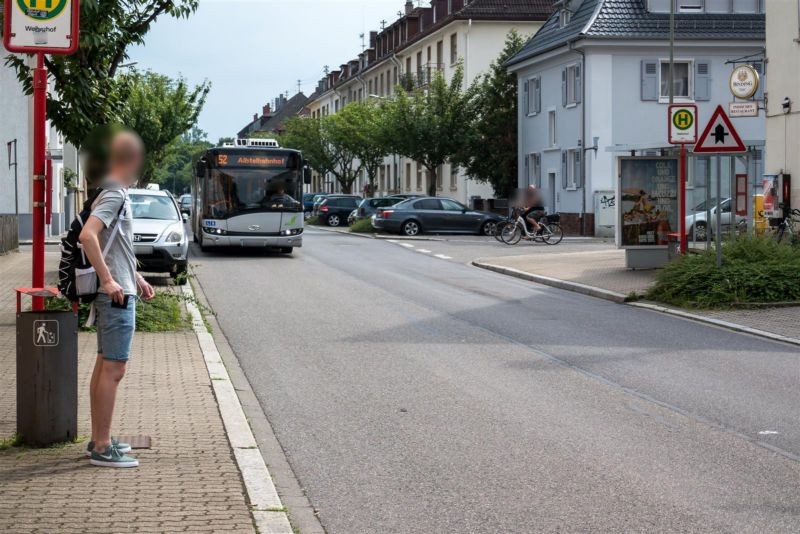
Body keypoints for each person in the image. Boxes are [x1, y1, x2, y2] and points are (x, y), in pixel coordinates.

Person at [79, 130, 155, 468]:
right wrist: (110, 280)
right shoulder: (114, 194)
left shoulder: (113, 192)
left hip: (120, 289)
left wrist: (135, 277)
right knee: (115, 368)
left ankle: (99, 438)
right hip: (116, 297)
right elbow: (88, 235)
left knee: (104, 366)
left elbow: (114, 245)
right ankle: (102, 446)